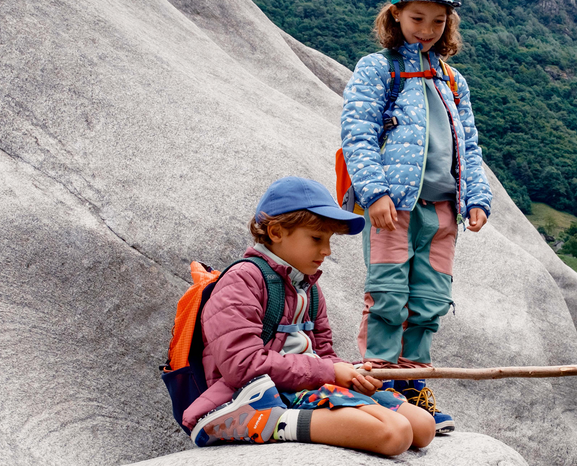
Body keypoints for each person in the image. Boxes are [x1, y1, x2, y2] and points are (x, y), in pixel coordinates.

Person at [183, 176, 435, 455]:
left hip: (308, 383)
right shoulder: (242, 280)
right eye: (317, 238)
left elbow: (323, 352)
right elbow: (241, 366)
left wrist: (352, 374)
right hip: (260, 393)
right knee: (394, 433)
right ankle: (271, 421)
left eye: (328, 240)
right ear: (277, 232)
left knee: (423, 427)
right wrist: (329, 372)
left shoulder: (310, 288)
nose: (326, 251)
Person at [340, 0, 493, 434]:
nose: (426, 29)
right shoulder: (377, 68)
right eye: (417, 18)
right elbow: (358, 133)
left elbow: (468, 141)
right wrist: (375, 193)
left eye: (438, 21)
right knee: (388, 295)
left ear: (449, 24)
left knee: (430, 299)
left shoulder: (451, 78)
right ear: (395, 16)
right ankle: (379, 381)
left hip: (443, 207)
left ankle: (411, 384)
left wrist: (477, 198)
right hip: (395, 205)